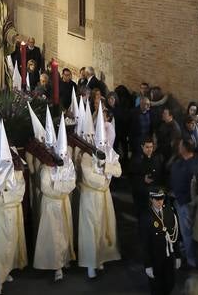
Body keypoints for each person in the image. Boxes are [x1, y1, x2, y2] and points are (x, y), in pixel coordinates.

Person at [0, 117, 27, 295]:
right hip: (0, 214)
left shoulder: (16, 173)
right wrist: (9, 195)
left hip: (13, 212)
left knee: (11, 243)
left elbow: (21, 192)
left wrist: (5, 194)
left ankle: (7, 271)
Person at [78, 109, 122, 278]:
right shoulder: (87, 156)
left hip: (104, 196)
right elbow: (88, 177)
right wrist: (104, 179)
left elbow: (118, 170)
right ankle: (90, 263)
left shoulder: (109, 153)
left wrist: (106, 168)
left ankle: (102, 258)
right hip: (91, 196)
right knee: (91, 229)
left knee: (104, 226)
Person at [33, 114, 77, 282]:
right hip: (51, 204)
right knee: (52, 234)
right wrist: (61, 190)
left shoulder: (68, 165)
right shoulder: (46, 169)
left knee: (64, 231)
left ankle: (64, 259)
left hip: (63, 202)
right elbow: (45, 188)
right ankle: (54, 264)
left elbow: (72, 181)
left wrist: (59, 188)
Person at [140, 188, 181, 295]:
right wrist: (147, 264)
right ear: (151, 199)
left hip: (168, 257)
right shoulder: (146, 216)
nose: (159, 202)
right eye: (156, 199)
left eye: (161, 199)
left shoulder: (169, 211)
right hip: (155, 258)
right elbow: (145, 243)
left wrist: (177, 255)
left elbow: (174, 235)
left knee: (170, 284)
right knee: (157, 288)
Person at [170, 138, 198, 269]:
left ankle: (191, 258)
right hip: (182, 201)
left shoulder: (190, 167)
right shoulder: (192, 162)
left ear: (184, 148)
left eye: (180, 145)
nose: (178, 146)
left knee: (187, 232)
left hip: (186, 203)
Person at [130, 138, 164, 215]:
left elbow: (160, 172)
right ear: (142, 147)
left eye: (151, 147)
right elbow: (131, 177)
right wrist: (143, 179)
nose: (149, 149)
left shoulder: (156, 158)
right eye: (147, 147)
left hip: (153, 190)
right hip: (140, 191)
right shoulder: (136, 160)